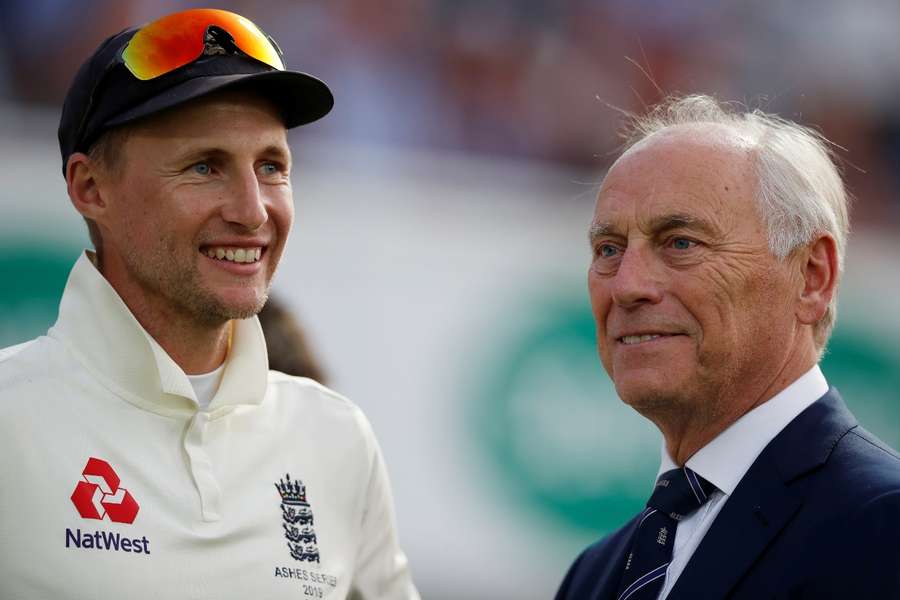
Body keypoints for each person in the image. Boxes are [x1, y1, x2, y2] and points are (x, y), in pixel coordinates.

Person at [0, 8, 419, 599]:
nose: (252, 211)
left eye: (271, 167)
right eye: (205, 166)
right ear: (90, 188)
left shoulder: (336, 438)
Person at [556, 95, 900, 599]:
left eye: (680, 242)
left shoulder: (882, 527)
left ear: (811, 276)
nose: (627, 285)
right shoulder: (594, 576)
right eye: (609, 249)